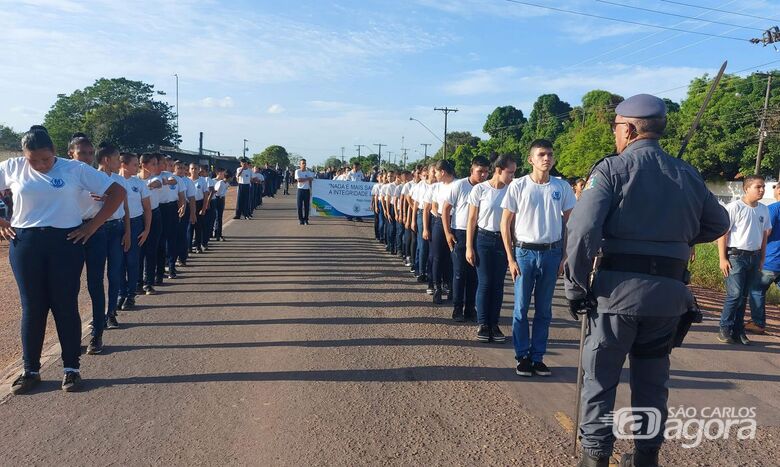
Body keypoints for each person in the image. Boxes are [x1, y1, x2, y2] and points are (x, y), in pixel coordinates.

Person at [564, 94, 730, 466]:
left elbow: (582, 231)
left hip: (616, 296)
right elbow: (719, 223)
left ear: (630, 129)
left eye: (616, 129)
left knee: (600, 382)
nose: (615, 136)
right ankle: (645, 457)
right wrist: (674, 239)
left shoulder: (611, 170)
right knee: (653, 382)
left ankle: (594, 458)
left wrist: (575, 288)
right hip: (668, 298)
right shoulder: (686, 173)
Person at [1, 126, 125, 394]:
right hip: (26, 243)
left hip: (66, 243)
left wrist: (92, 227)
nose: (40, 165)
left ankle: (71, 369)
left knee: (64, 304)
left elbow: (117, 192)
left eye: (45, 159)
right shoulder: (12, 167)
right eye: (33, 160)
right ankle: (30, 370)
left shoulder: (74, 169)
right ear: (24, 155)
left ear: (55, 152)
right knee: (33, 306)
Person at [501, 139, 576, 376]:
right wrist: (511, 258)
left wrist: (565, 255)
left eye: (550, 155)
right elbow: (505, 223)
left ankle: (538, 356)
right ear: (531, 159)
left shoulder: (562, 187)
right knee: (521, 308)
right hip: (524, 253)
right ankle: (522, 356)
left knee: (544, 310)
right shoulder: (518, 186)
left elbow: (570, 224)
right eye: (542, 154)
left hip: (552, 253)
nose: (547, 159)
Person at [80, 143, 131, 353]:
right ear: (107, 159)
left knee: (115, 272)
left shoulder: (117, 180)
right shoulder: (86, 178)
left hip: (115, 228)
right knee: (94, 278)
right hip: (96, 228)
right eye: (117, 157)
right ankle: (97, 319)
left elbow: (125, 207)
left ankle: (110, 313)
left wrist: (128, 231)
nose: (120, 161)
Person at [467, 154, 516, 340]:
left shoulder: (511, 190)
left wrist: (513, 246)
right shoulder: (480, 189)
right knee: (485, 283)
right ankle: (483, 324)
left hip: (503, 241)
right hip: (483, 239)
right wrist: (469, 247)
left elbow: (512, 222)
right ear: (498, 170)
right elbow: (472, 219)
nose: (512, 176)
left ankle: (494, 324)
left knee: (498, 285)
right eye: (510, 172)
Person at [718, 175, 771, 345]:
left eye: (763, 187)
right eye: (758, 187)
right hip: (736, 256)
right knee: (734, 294)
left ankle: (738, 330)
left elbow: (764, 236)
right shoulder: (734, 207)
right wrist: (722, 258)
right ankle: (724, 327)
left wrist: (762, 258)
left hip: (754, 257)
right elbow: (723, 234)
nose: (762, 190)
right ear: (746, 188)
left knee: (744, 296)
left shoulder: (763, 209)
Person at [442, 156, 489, 322]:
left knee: (474, 275)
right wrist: (448, 233)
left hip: (479, 234)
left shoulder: (486, 188)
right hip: (460, 233)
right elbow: (446, 210)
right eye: (479, 171)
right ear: (472, 170)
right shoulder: (459, 185)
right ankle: (457, 308)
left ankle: (470, 308)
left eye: (485, 171)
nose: (483, 175)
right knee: (459, 273)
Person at [118, 152, 151, 312]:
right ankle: (120, 293)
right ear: (123, 164)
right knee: (118, 263)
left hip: (135, 223)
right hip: (117, 224)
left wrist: (146, 230)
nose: (137, 167)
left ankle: (130, 295)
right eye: (134, 164)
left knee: (132, 261)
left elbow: (147, 209)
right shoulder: (111, 181)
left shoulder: (139, 184)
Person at [748, 182, 780, 334]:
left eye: (774, 187)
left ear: (779, 190)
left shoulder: (773, 209)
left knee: (756, 290)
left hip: (771, 259)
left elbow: (766, 233)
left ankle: (758, 323)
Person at [428, 160, 456, 304]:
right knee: (437, 257)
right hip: (439, 221)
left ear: (443, 172)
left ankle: (452, 287)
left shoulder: (457, 184)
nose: (435, 175)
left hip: (455, 222)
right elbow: (433, 205)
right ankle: (437, 287)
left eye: (436, 172)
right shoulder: (437, 187)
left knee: (452, 258)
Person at [137, 153, 163, 295]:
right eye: (153, 164)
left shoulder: (155, 178)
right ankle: (138, 282)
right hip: (138, 217)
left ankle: (149, 283)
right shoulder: (134, 180)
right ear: (144, 165)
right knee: (139, 251)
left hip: (154, 215)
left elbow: (158, 183)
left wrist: (149, 184)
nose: (156, 166)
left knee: (151, 250)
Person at [155, 155, 181, 285]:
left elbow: (173, 181)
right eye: (164, 163)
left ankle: (171, 267)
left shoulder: (168, 175)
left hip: (170, 209)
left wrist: (166, 182)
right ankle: (157, 270)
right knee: (158, 242)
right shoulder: (149, 176)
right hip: (157, 209)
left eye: (169, 164)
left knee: (171, 239)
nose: (166, 166)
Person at [174, 161, 197, 266]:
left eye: (183, 168)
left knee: (182, 234)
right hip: (172, 208)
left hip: (184, 208)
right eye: (179, 168)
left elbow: (191, 199)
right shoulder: (170, 179)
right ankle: (170, 258)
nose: (181, 170)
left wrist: (193, 214)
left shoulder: (188, 182)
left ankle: (182, 257)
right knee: (171, 235)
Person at [295, 158, 315, 225]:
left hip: (307, 190)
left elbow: (311, 180)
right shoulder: (297, 171)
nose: (304, 164)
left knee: (307, 206)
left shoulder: (308, 172)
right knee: (299, 206)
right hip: (300, 190)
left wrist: (307, 179)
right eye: (303, 163)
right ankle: (301, 220)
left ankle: (306, 219)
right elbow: (299, 180)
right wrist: (307, 179)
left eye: (305, 163)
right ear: (300, 164)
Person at [213, 167, 229, 241]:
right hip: (213, 200)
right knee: (212, 218)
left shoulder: (224, 182)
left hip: (221, 200)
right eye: (222, 173)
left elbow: (224, 193)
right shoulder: (212, 181)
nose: (224, 174)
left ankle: (218, 234)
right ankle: (211, 233)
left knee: (219, 218)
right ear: (218, 173)